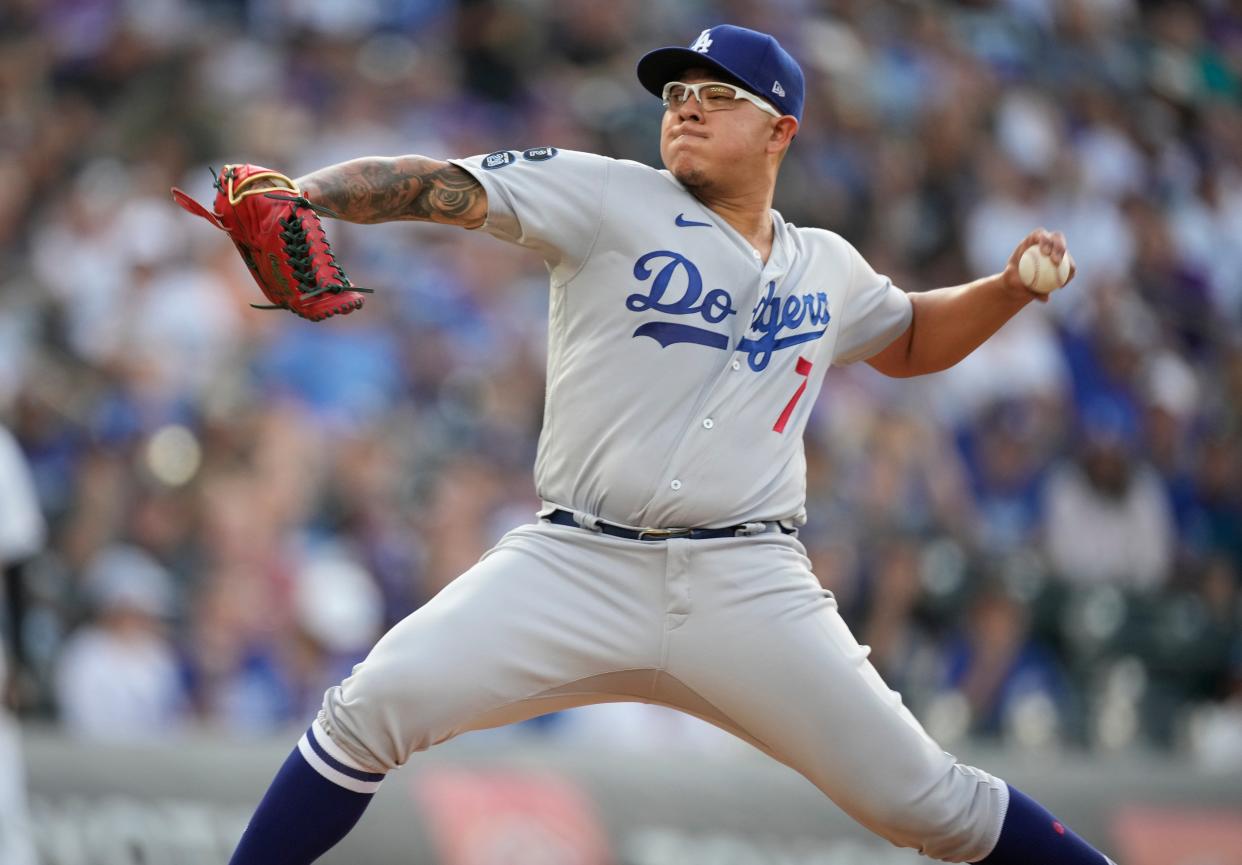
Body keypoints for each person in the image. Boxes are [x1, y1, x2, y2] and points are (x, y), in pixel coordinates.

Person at [225, 25, 1116, 865]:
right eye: (676, 92)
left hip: (749, 582)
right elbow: (433, 183)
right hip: (574, 562)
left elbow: (912, 338)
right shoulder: (607, 192)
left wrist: (1005, 289)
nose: (686, 105)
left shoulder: (827, 264)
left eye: (718, 95)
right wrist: (305, 195)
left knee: (931, 803)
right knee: (367, 710)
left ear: (780, 130)